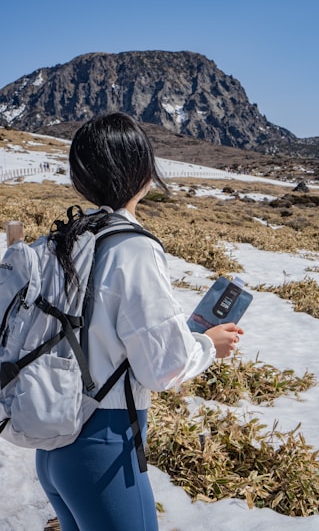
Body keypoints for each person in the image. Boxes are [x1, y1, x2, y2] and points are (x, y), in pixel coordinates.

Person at [35, 112, 244, 531]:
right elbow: (162, 368)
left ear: (82, 178)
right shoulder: (132, 247)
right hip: (104, 447)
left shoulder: (69, 238)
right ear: (143, 172)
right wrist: (208, 345)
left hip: (52, 444)